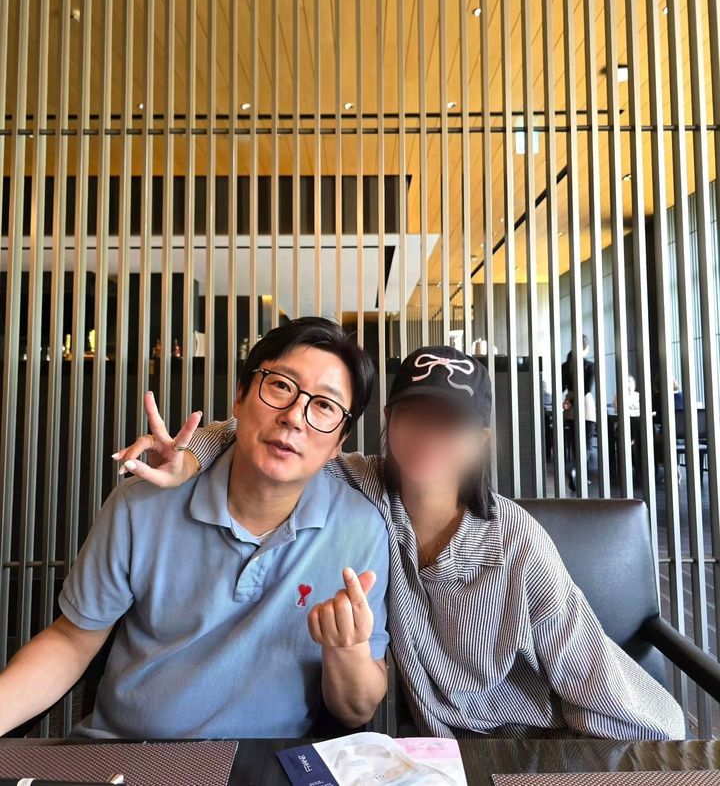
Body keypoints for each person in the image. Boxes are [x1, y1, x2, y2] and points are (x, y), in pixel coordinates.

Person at [117, 344, 685, 740]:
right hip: (434, 753)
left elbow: (593, 678)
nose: (429, 436)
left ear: (480, 440)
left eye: (451, 422)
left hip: (542, 741)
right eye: (414, 415)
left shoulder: (515, 544)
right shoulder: (362, 487)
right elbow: (272, 437)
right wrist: (190, 455)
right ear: (388, 419)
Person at [0, 317, 390, 739]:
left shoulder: (360, 529)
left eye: (325, 406)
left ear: (339, 442)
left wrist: (347, 648)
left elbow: (356, 710)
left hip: (269, 763)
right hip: (128, 753)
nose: (295, 416)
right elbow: (72, 642)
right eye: (281, 386)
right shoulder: (141, 505)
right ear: (240, 397)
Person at [561, 334, 596, 492]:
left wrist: (568, 401)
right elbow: (586, 388)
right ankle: (576, 470)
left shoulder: (565, 366)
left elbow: (561, 387)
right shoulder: (589, 366)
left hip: (569, 407)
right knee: (587, 444)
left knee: (576, 444)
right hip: (585, 405)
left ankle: (581, 476)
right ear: (586, 348)